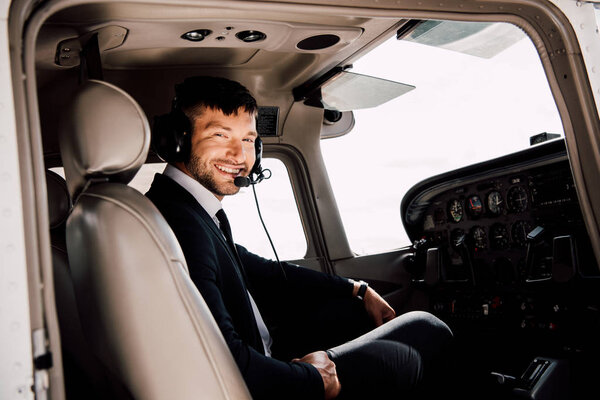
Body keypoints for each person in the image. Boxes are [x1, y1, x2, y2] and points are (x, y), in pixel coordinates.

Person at [146, 76, 452, 399]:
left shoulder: (188, 210)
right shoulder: (183, 224)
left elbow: (266, 273)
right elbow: (225, 361)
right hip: (260, 382)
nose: (239, 155)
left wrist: (357, 290)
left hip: (266, 356)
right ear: (178, 139)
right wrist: (313, 379)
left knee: (354, 311)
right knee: (427, 329)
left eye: (249, 140)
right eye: (220, 135)